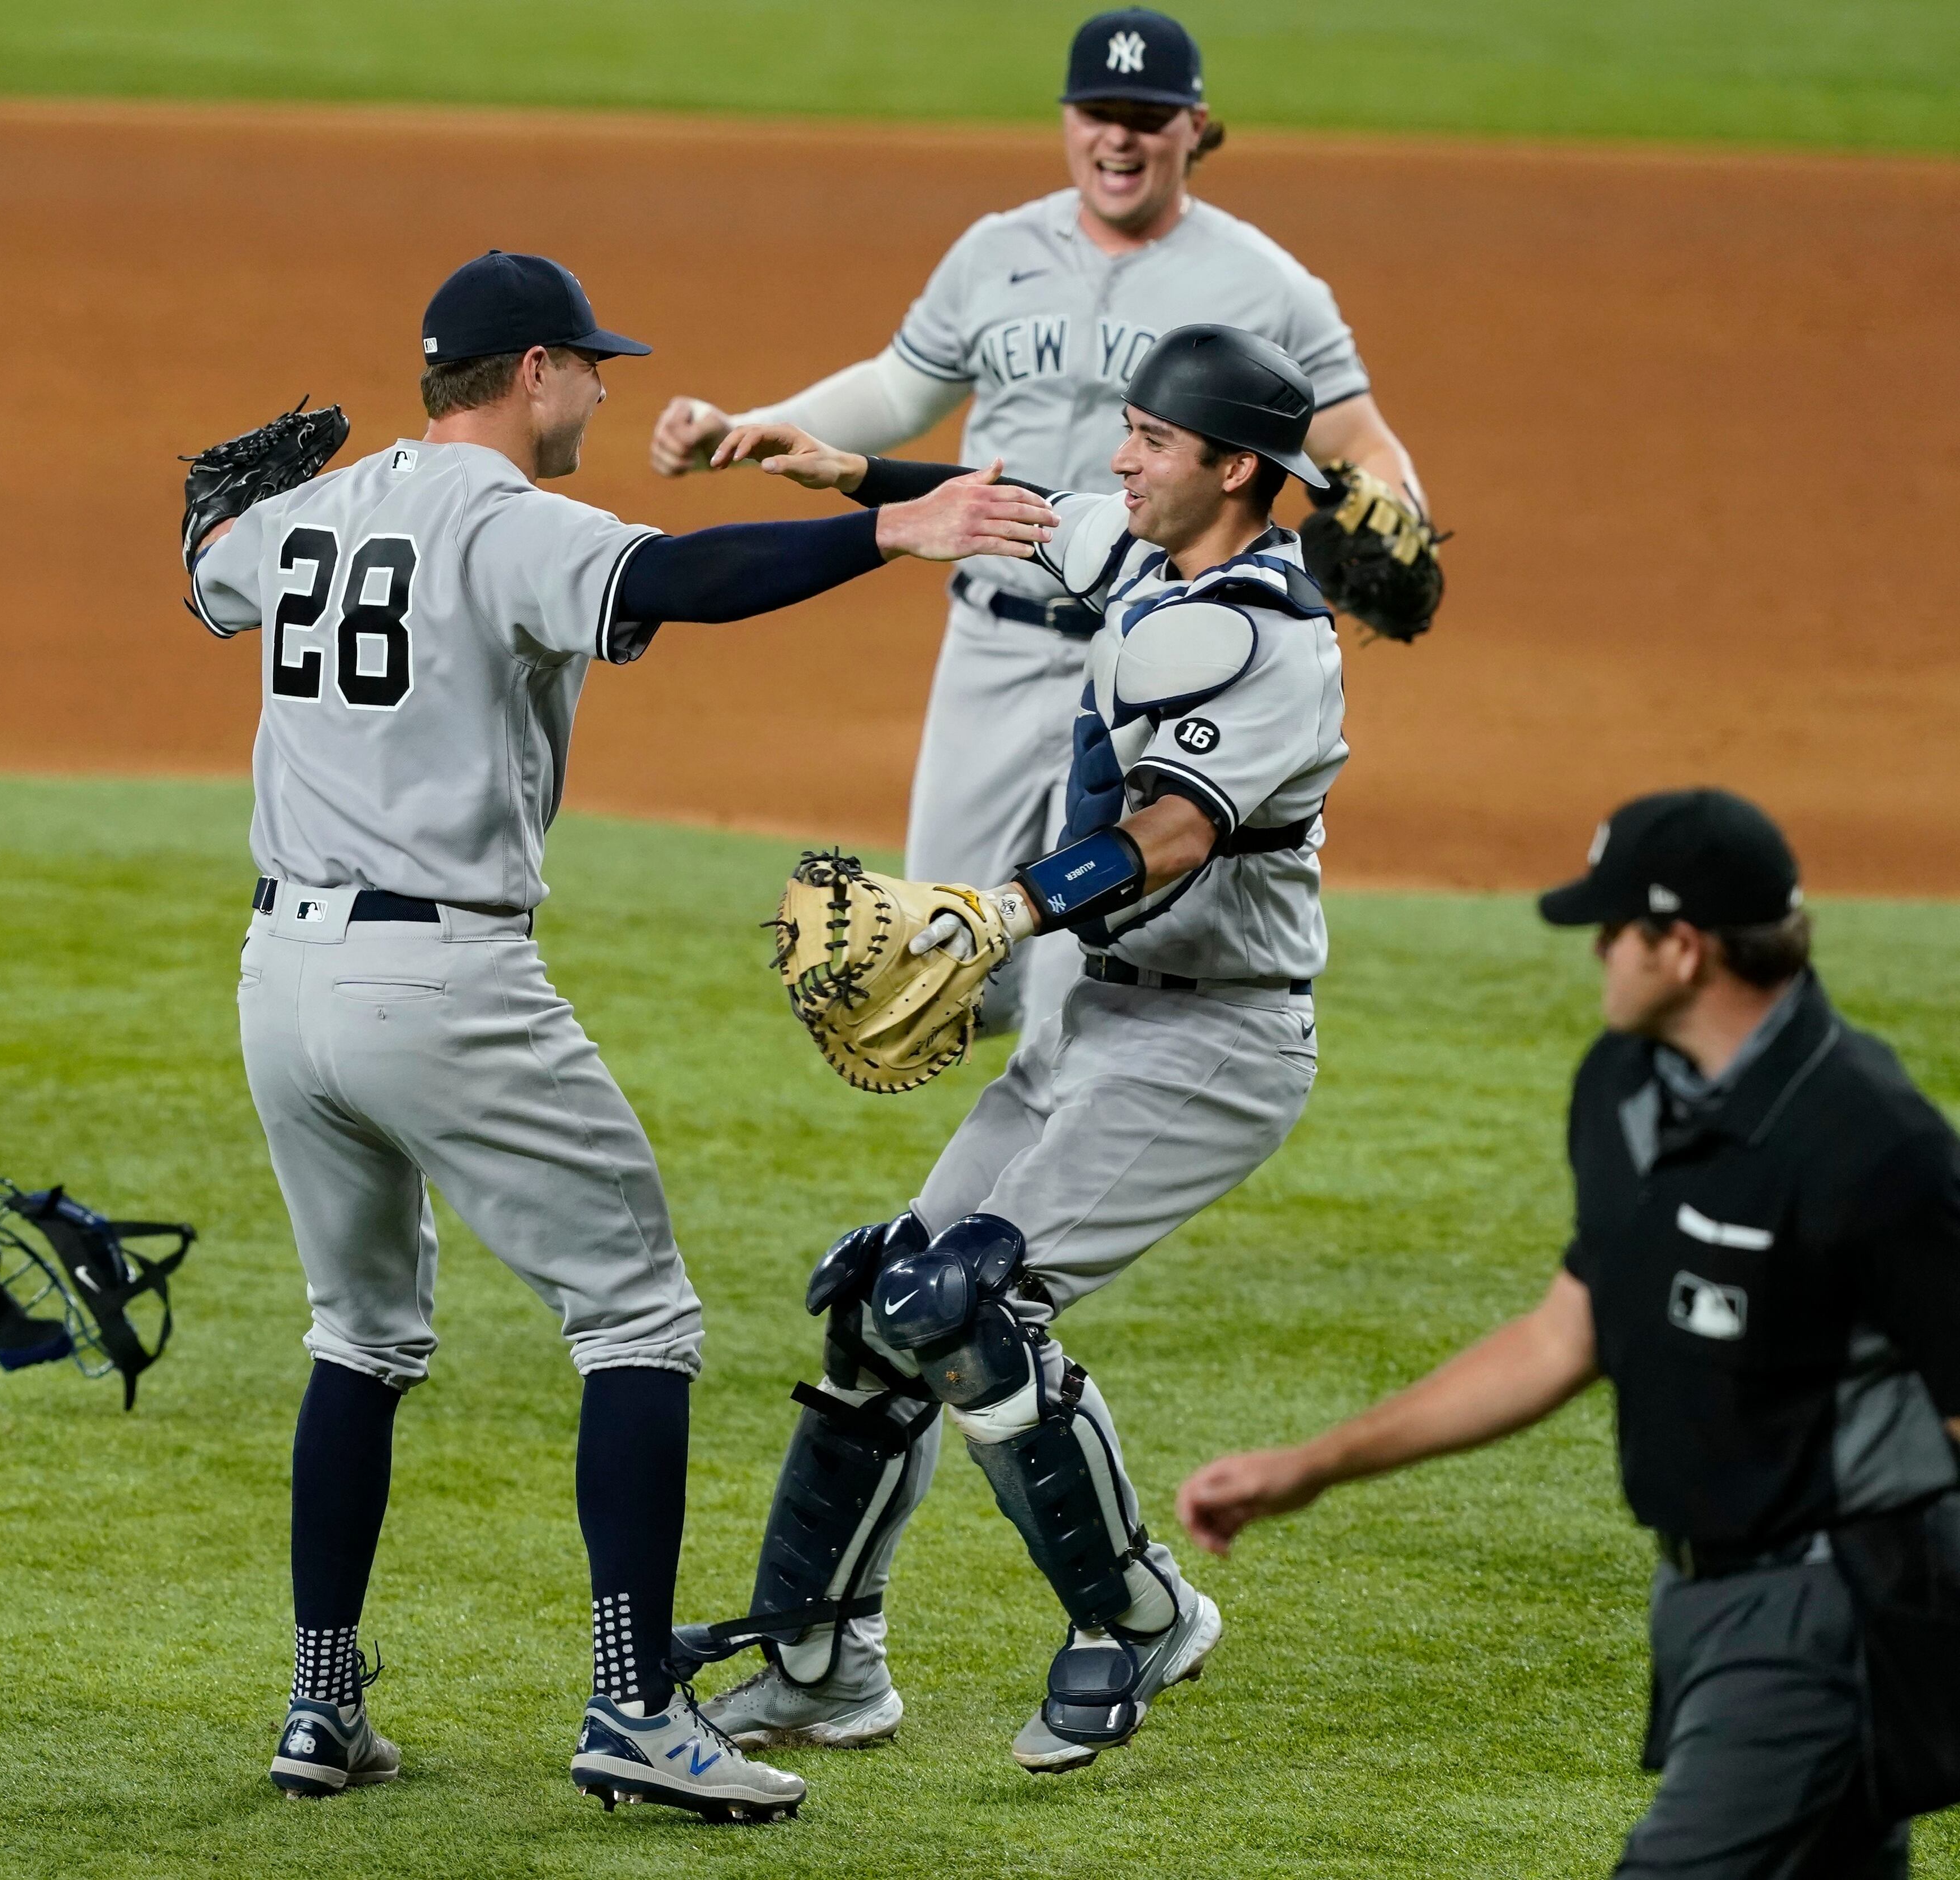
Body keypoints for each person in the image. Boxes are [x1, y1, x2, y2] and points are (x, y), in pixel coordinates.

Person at [184, 249, 1053, 1819]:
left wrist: (203, 527)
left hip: (278, 982)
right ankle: (637, 1705)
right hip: (438, 981)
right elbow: (677, 582)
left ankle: (321, 1702)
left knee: (359, 1335)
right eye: (590, 365)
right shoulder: (507, 521)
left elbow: (207, 568)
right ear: (527, 373)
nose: (603, 386)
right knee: (639, 1314)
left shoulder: (304, 514)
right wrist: (894, 526)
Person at [674, 324, 1344, 1771]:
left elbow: (1173, 831)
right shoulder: (1148, 555)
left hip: (1210, 1046)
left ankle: (1140, 1615)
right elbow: (1026, 508)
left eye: (1152, 440)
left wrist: (1002, 906)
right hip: (1086, 1020)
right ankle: (818, 1660)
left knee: (969, 1303)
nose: (1120, 457)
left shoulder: (1266, 637)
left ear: (1233, 467)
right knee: (877, 1303)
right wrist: (846, 468)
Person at [1179, 788, 1960, 1876]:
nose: (1596, 950)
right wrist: (1313, 1466)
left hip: (1831, 1609)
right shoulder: (1626, 1089)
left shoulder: (1868, 1139)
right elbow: (1566, 1332)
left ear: (1683, 948)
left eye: (1613, 928)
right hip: (1702, 1596)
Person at [648, 5, 1424, 1045]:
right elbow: (897, 388)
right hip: (994, 633)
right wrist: (750, 428)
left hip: (1156, 654)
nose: (1120, 137)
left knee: (1087, 967)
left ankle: (1055, 1175)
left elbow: (1362, 443)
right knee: (940, 960)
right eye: (1100, 111)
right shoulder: (995, 251)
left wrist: (1400, 512)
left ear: (1195, 126)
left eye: (1147, 117)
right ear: (1067, 119)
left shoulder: (1268, 286)